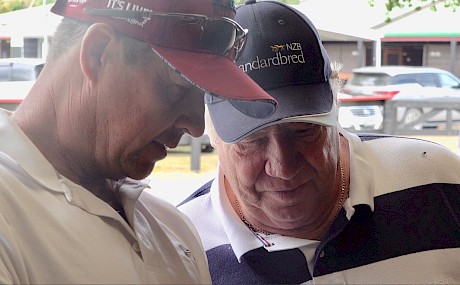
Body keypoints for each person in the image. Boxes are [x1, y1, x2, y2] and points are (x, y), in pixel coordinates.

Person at [178, 1, 460, 284]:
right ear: (213, 135)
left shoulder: (441, 183)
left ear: (335, 112)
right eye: (252, 140)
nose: (283, 167)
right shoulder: (178, 249)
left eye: (302, 131)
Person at [0, 0, 278, 284]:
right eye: (175, 89)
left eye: (203, 97)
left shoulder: (173, 229)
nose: (195, 127)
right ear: (98, 53)